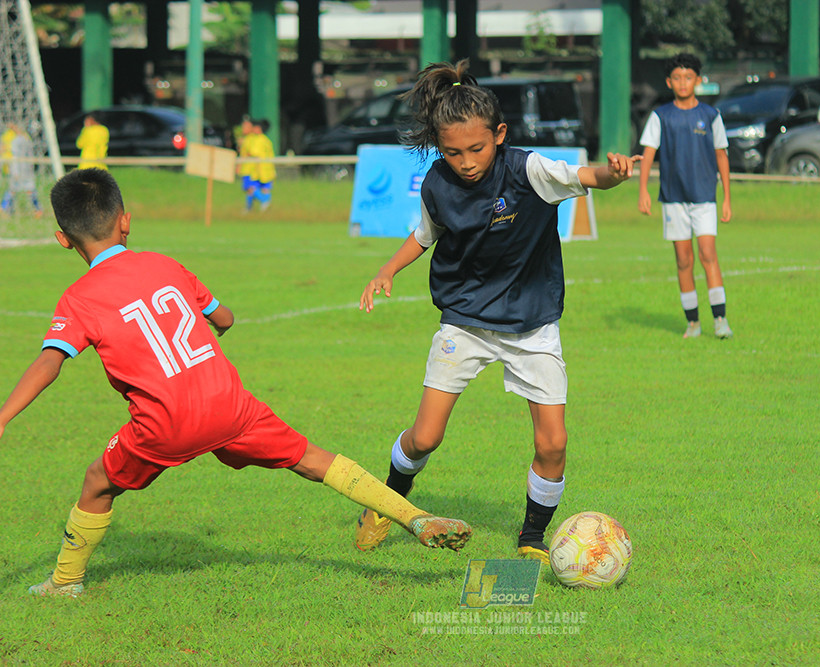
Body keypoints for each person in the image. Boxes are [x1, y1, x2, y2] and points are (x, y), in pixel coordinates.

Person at [0, 168, 471, 598]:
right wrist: (219, 324)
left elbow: (50, 363)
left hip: (163, 421)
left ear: (63, 240)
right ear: (125, 221)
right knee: (312, 460)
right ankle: (413, 516)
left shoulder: (79, 298)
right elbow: (223, 315)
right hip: (228, 405)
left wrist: (3, 417)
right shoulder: (166, 265)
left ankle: (64, 582)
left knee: (98, 483)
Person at [356, 60, 640, 563]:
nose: (465, 161)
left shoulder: (527, 170)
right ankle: (385, 503)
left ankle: (531, 538)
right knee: (425, 436)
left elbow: (585, 176)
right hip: (465, 322)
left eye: (476, 148)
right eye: (451, 151)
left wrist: (613, 175)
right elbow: (425, 235)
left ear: (500, 134)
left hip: (532, 324)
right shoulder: (437, 184)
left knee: (553, 444)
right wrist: (388, 269)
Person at [637, 52, 733, 340]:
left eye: (688, 77)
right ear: (669, 82)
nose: (683, 82)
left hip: (704, 197)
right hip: (674, 198)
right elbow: (648, 154)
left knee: (708, 254)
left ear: (698, 80)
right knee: (683, 260)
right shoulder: (660, 116)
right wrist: (643, 190)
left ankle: (720, 320)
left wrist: (727, 197)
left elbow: (721, 155)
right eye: (677, 78)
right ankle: (692, 323)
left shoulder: (710, 115)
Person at [1, 124, 43, 218]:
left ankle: (37, 210)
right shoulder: (23, 139)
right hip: (22, 169)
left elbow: (16, 155)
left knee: (19, 190)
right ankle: (5, 209)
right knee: (15, 190)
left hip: (21, 170)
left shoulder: (20, 140)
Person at [244, 118, 275, 212]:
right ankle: (260, 208)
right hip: (267, 170)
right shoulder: (267, 140)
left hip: (257, 170)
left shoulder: (257, 140)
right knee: (265, 188)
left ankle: (263, 201)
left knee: (251, 189)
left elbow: (253, 153)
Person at [235, 116, 257, 210]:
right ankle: (249, 208)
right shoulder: (246, 139)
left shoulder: (252, 139)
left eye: (246, 127)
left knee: (251, 189)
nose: (244, 129)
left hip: (251, 170)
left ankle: (265, 200)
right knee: (248, 189)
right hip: (246, 169)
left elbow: (251, 153)